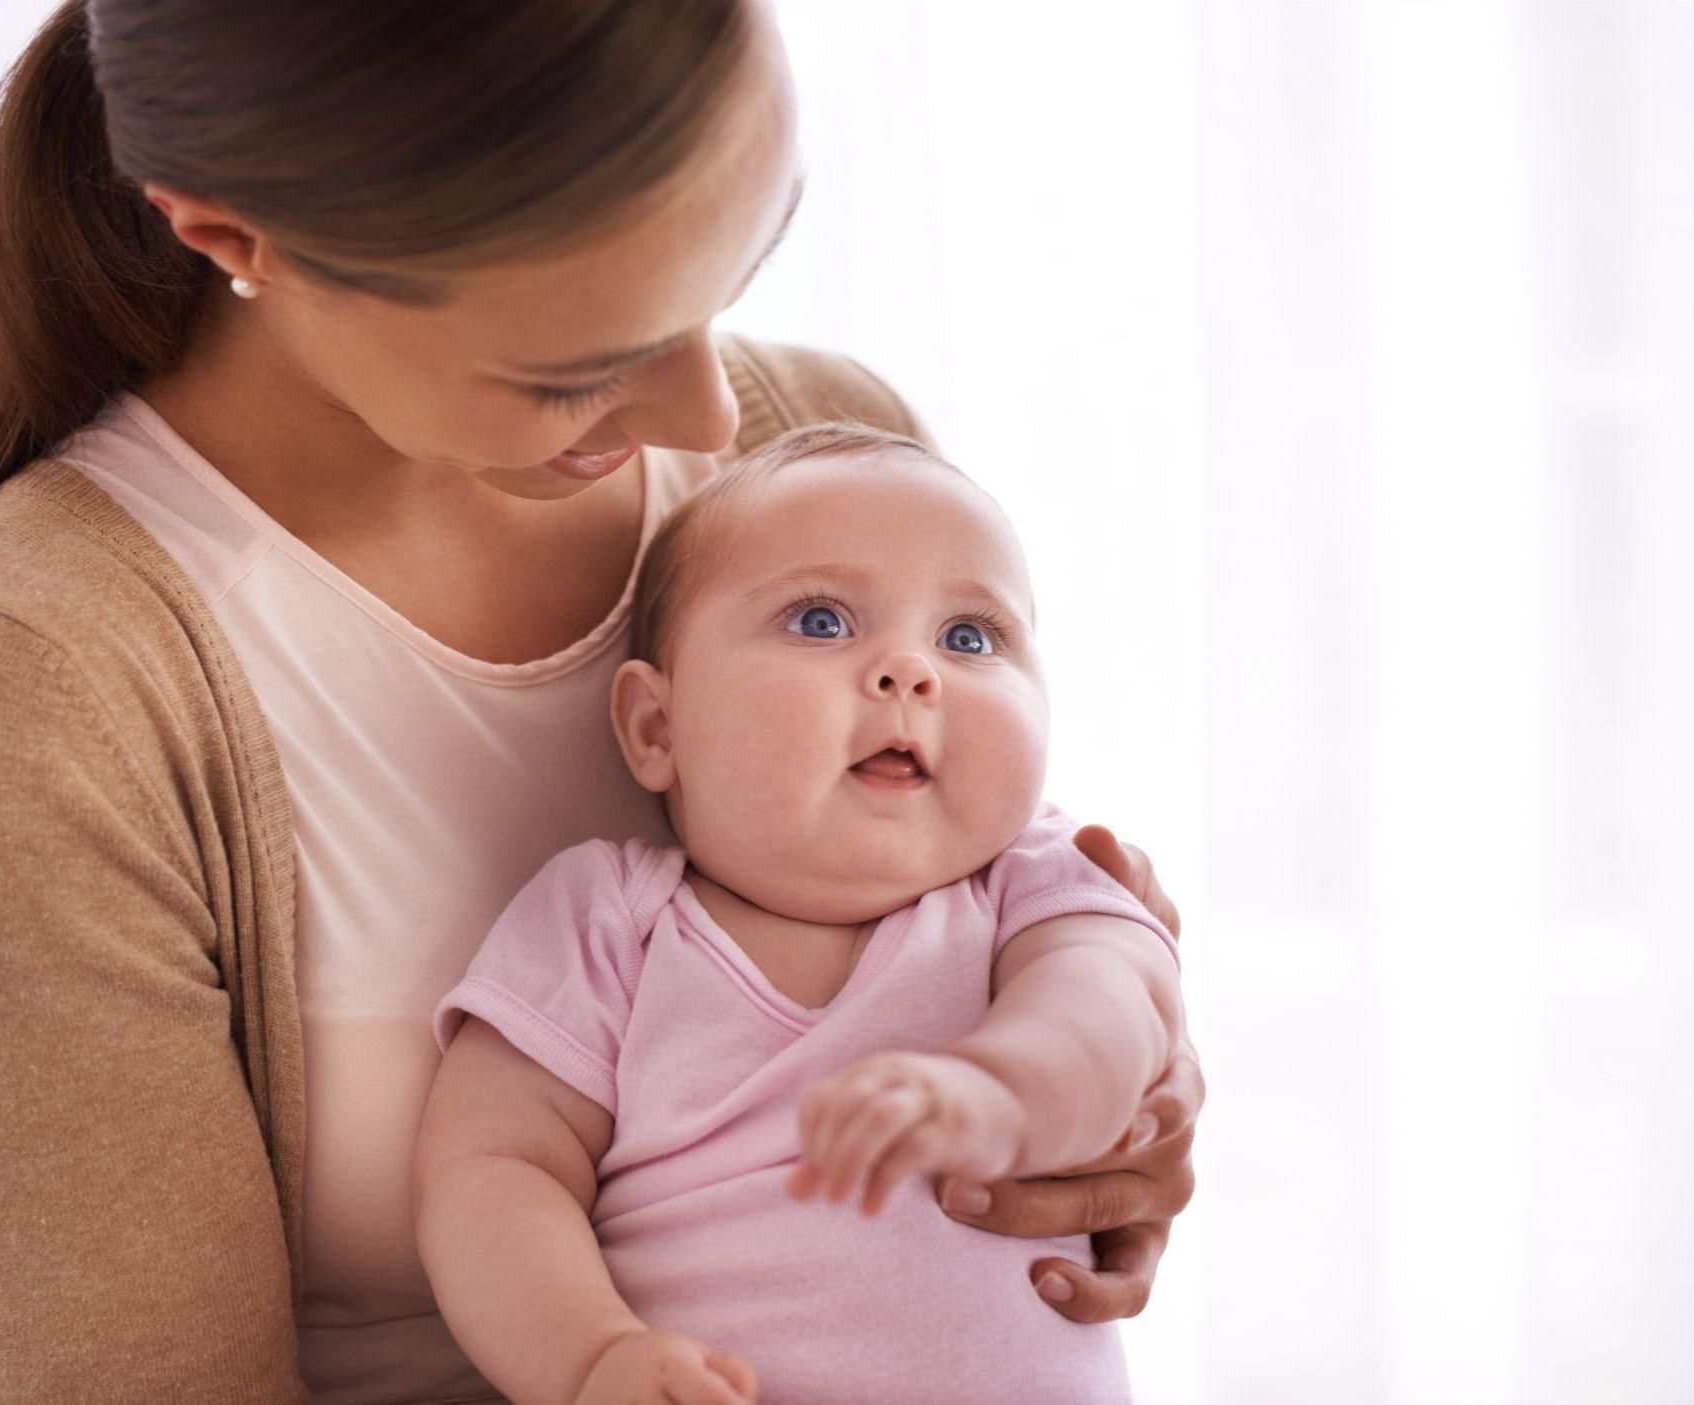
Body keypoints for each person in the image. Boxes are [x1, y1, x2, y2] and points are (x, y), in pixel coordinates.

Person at [0, 0, 1203, 1400]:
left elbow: (1006, 948)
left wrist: (1109, 1098)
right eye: (575, 374)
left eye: (738, 268)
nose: (710, 421)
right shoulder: (38, 688)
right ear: (236, 237)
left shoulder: (826, 468)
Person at [416, 422, 1185, 1405]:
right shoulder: (611, 919)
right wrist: (590, 1358)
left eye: (968, 636)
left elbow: (1111, 1011)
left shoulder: (1032, 879)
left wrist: (1002, 1088)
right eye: (820, 621)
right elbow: (491, 1172)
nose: (910, 671)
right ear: (658, 728)